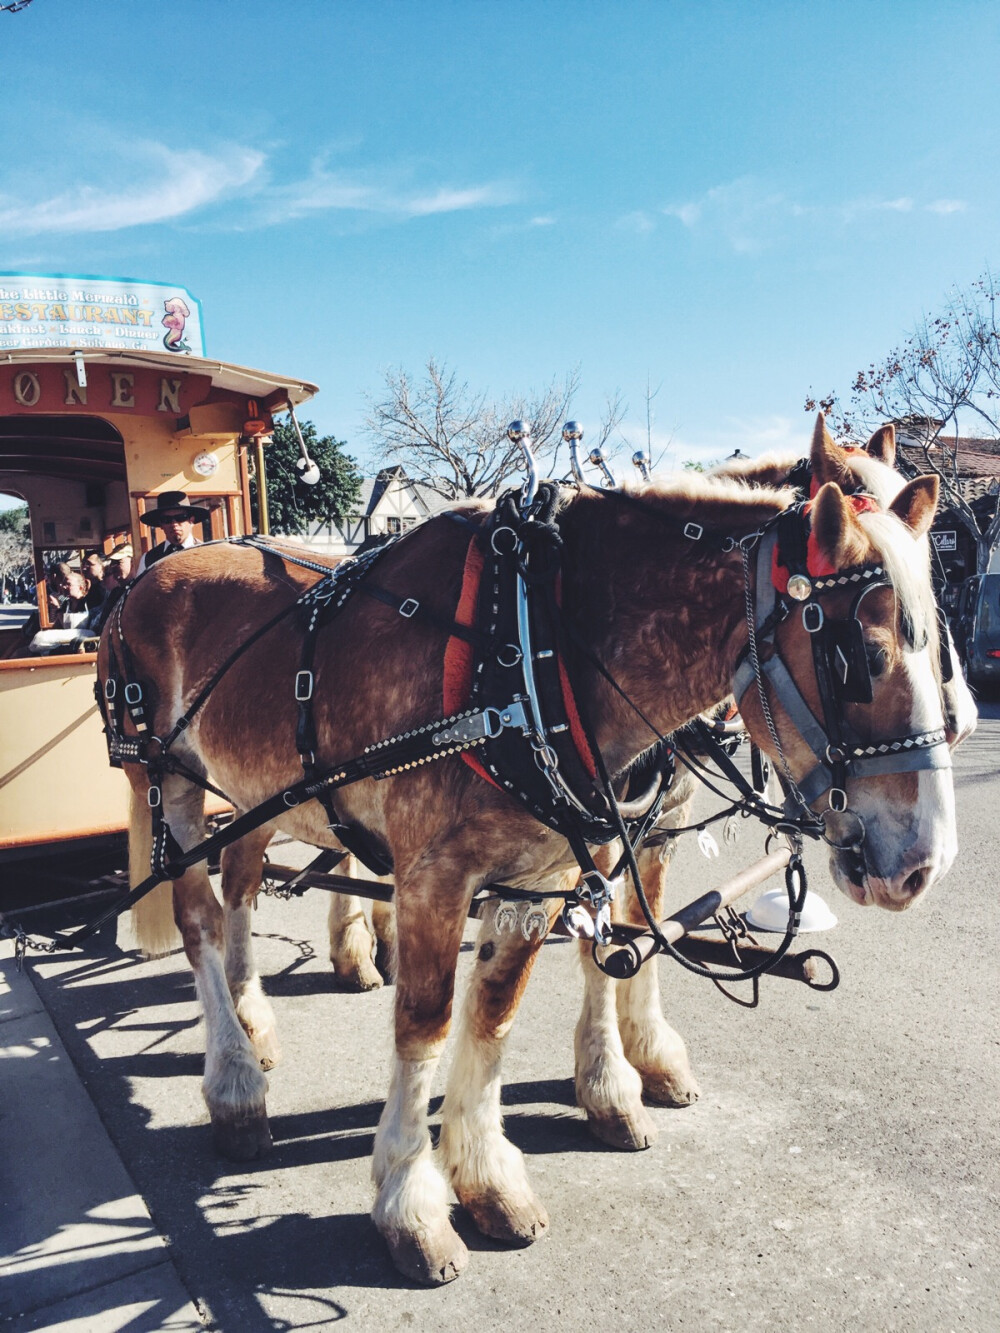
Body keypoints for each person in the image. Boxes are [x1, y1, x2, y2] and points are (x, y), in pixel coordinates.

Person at [136, 492, 210, 575]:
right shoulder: (148, 559)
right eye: (166, 519)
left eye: (180, 518)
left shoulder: (208, 554)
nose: (174, 524)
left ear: (191, 521)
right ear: (161, 525)